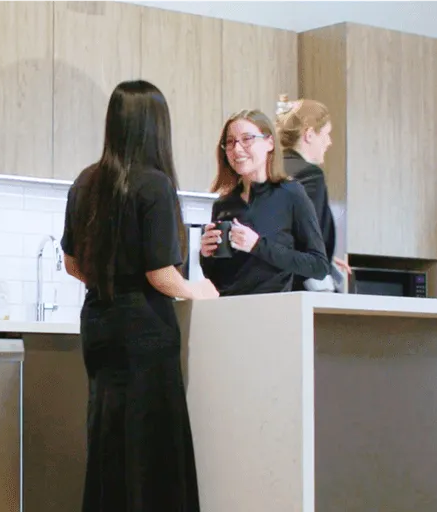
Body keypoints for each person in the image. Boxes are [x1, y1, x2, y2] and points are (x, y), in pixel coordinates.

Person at [60, 80, 217, 512]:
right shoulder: (154, 185)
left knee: (108, 441)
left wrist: (105, 276)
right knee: (152, 451)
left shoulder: (85, 182)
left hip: (98, 326)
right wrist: (196, 291)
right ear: (156, 127)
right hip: (144, 331)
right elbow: (160, 273)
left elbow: (73, 263)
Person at [199, 109, 330, 295]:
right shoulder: (223, 205)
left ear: (269, 142)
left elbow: (318, 266)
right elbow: (217, 278)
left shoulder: (291, 194)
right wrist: (206, 255)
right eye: (230, 142)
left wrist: (257, 245)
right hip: (228, 309)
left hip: (273, 311)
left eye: (247, 139)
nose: (236, 149)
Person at [275, 97, 351, 292]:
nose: (329, 142)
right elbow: (304, 235)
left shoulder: (272, 170)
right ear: (309, 134)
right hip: (299, 289)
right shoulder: (310, 174)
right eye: (326, 134)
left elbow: (281, 231)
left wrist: (327, 256)